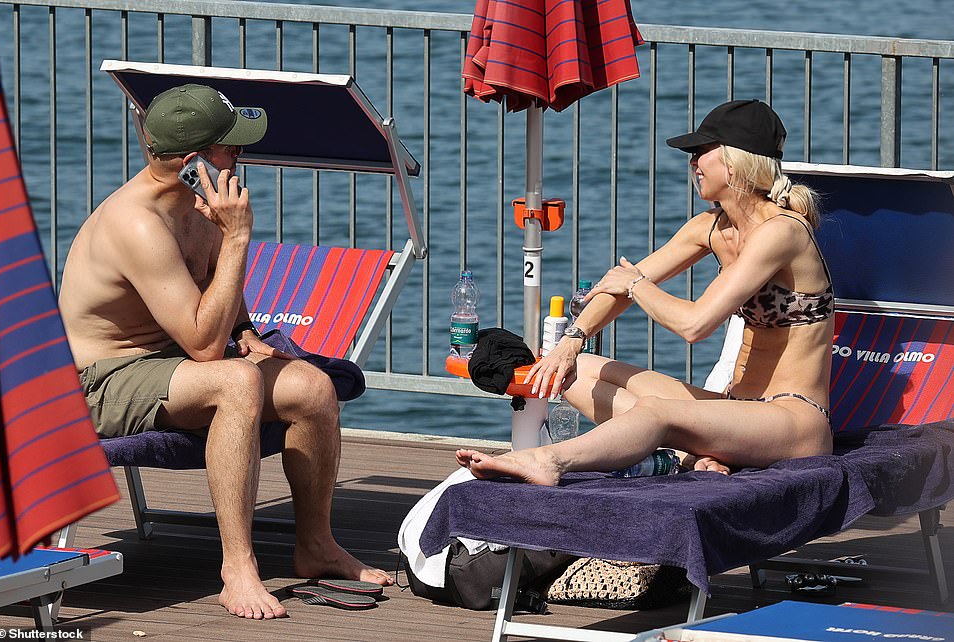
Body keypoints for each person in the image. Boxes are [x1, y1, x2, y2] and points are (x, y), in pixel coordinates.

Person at [59, 83, 392, 620]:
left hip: (171, 362)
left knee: (311, 385)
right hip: (101, 381)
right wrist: (238, 239)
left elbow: (219, 300)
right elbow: (203, 345)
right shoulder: (138, 224)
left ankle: (316, 546)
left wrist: (248, 334)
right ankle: (237, 567)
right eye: (230, 147)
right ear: (193, 163)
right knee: (235, 382)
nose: (241, 156)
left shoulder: (198, 205)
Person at [457, 99, 834, 485]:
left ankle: (549, 461)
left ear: (735, 161)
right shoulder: (711, 226)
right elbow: (617, 284)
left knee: (657, 411)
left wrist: (636, 286)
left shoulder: (781, 231)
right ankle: (699, 453)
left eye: (701, 153)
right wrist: (571, 342)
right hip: (735, 408)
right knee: (573, 372)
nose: (692, 164)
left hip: (793, 419)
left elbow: (695, 324)